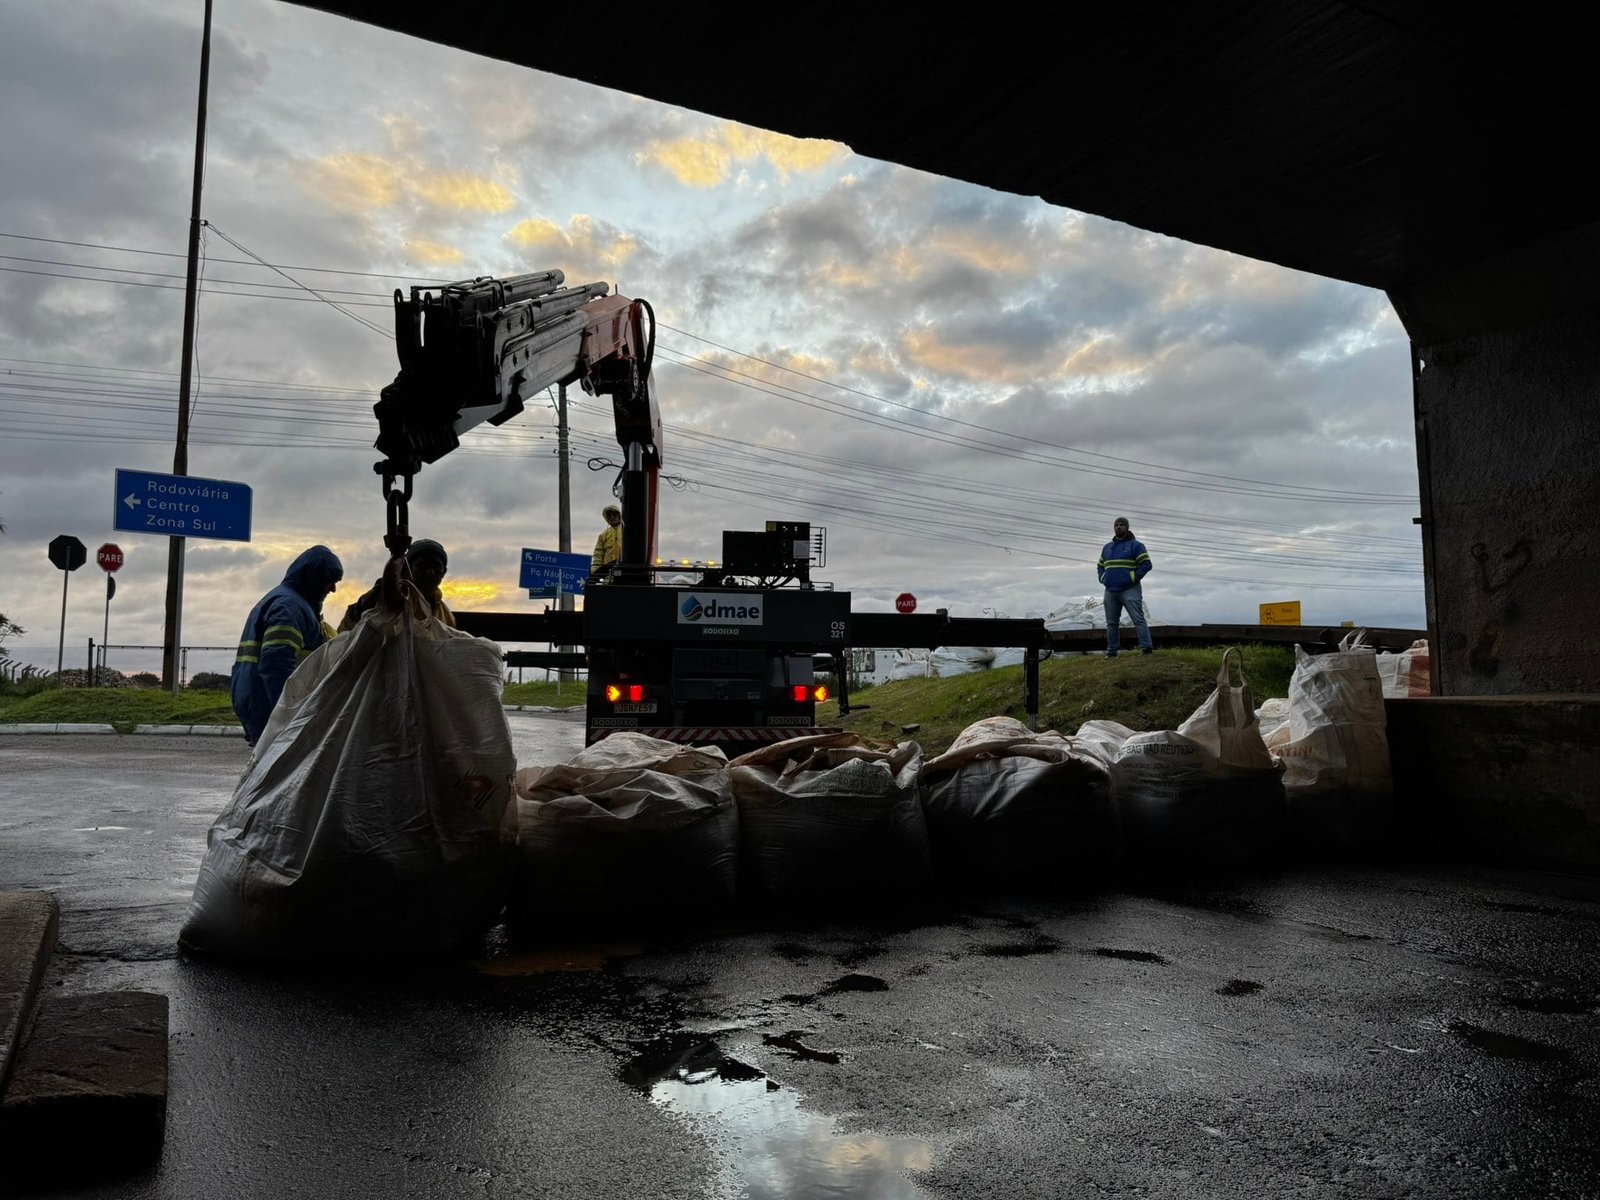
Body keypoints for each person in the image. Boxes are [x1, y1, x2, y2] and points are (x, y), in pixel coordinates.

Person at [231, 544, 344, 745]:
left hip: (260, 703)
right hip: (271, 709)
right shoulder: (289, 608)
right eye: (330, 581)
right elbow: (276, 666)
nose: (333, 589)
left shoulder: (287, 601)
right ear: (315, 579)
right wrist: (286, 719)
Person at [337, 539, 456, 632]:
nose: (430, 573)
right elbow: (349, 627)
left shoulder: (445, 615)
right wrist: (378, 594)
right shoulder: (386, 597)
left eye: (436, 567)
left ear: (444, 572)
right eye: (421, 566)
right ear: (406, 569)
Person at [1097, 516, 1153, 657]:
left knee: (1138, 619)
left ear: (1127, 527)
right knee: (1111, 623)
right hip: (1110, 590)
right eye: (1116, 525)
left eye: (1122, 525)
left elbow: (1146, 564)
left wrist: (1132, 578)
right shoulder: (1107, 548)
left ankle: (1146, 649)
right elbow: (1100, 565)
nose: (1119, 527)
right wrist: (1103, 578)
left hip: (1130, 589)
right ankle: (1112, 652)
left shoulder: (1136, 545)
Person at [590, 502, 623, 581]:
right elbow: (598, 556)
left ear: (619, 515)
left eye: (614, 514)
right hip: (608, 578)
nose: (612, 517)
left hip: (625, 576)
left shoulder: (627, 532)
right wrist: (594, 574)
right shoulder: (603, 536)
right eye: (609, 515)